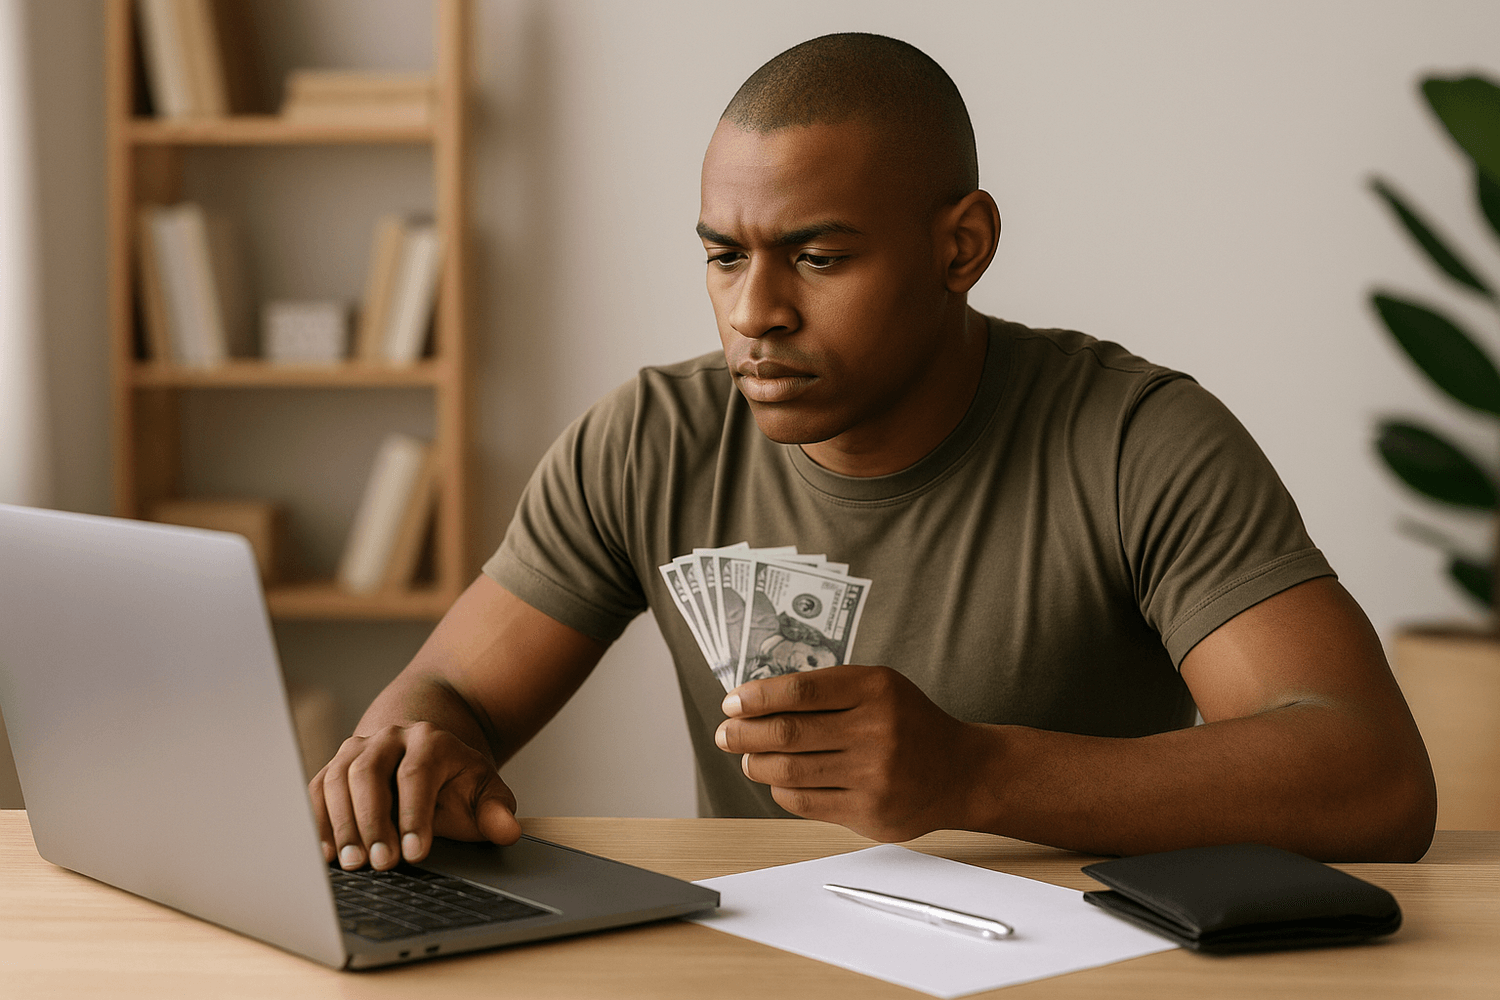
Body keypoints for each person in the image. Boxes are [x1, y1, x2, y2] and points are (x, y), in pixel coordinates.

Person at [310, 33, 1436, 871]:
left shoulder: (1140, 439)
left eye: (817, 256)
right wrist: (411, 757)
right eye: (722, 255)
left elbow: (1371, 774)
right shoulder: (650, 439)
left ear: (963, 246)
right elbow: (452, 688)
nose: (755, 311)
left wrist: (974, 773)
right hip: (759, 972)